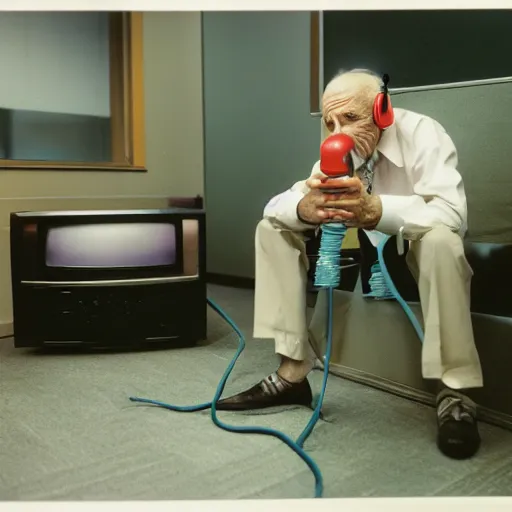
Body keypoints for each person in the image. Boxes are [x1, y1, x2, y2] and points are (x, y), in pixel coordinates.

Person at [216, 68, 483, 461]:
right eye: (330, 123)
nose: (337, 131)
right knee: (272, 229)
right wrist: (304, 208)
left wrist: (379, 210)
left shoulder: (425, 134)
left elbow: (452, 214)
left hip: (413, 239)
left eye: (350, 118)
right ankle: (292, 371)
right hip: (367, 248)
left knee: (442, 241)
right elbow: (275, 208)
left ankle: (455, 393)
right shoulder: (340, 151)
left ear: (382, 109)